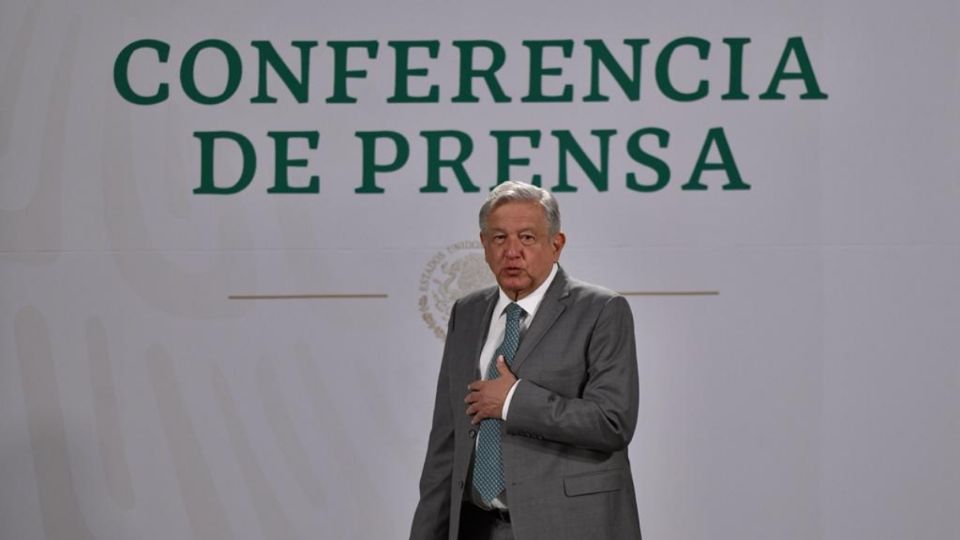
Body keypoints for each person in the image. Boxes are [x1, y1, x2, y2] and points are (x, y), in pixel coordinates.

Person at [410, 181, 642, 540]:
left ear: (556, 245)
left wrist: (513, 401)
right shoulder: (467, 313)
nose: (512, 251)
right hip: (477, 527)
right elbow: (446, 441)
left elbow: (611, 422)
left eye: (528, 238)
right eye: (499, 238)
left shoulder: (602, 310)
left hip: (570, 527)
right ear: (484, 246)